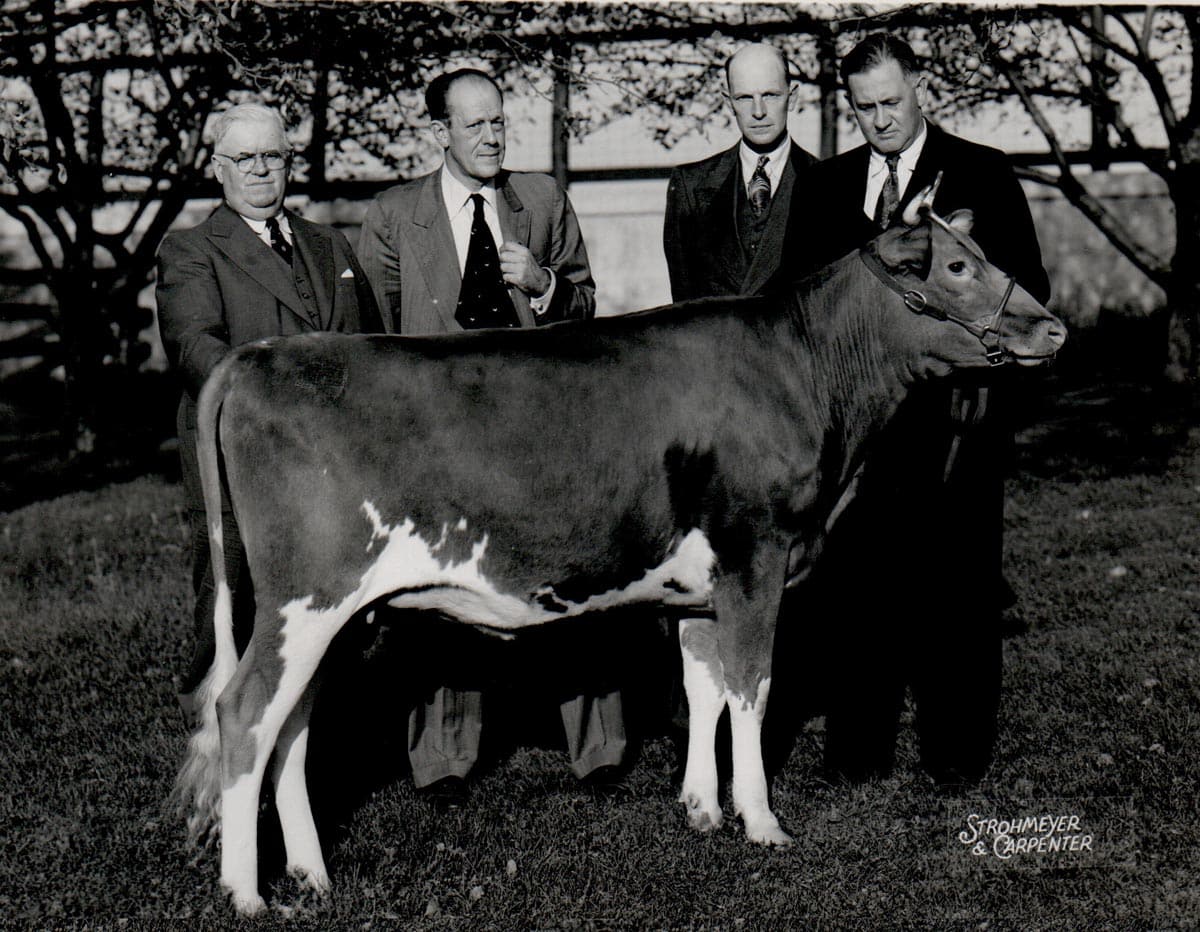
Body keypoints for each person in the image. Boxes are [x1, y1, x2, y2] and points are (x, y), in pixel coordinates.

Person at [782, 33, 1051, 784]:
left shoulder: (983, 173)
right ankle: (857, 752)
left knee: (959, 588)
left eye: (891, 102)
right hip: (858, 436)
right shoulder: (826, 187)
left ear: (919, 86)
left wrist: (983, 384)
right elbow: (796, 304)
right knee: (855, 587)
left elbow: (1026, 290)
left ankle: (957, 756)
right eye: (864, 108)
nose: (880, 119)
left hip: (956, 425)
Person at [357, 68, 624, 804]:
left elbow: (586, 311)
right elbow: (375, 336)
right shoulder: (394, 216)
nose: (491, 136)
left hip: (539, 428)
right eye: (474, 124)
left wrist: (544, 285)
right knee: (440, 591)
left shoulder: (541, 200)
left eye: (499, 121)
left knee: (572, 569)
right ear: (439, 132)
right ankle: (444, 757)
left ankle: (599, 748)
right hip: (438, 436)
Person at [156, 102, 385, 714]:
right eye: (244, 158)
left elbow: (370, 344)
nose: (259, 169)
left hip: (338, 463)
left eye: (271, 156)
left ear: (288, 163)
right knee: (233, 600)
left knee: (334, 599)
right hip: (243, 458)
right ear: (218, 169)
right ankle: (218, 734)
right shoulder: (192, 250)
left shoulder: (328, 243)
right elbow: (195, 346)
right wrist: (287, 404)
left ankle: (321, 733)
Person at [663, 43, 816, 302]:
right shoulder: (690, 186)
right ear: (728, 102)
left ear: (792, 97)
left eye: (770, 95)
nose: (758, 112)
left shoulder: (828, 184)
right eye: (745, 98)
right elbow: (684, 307)